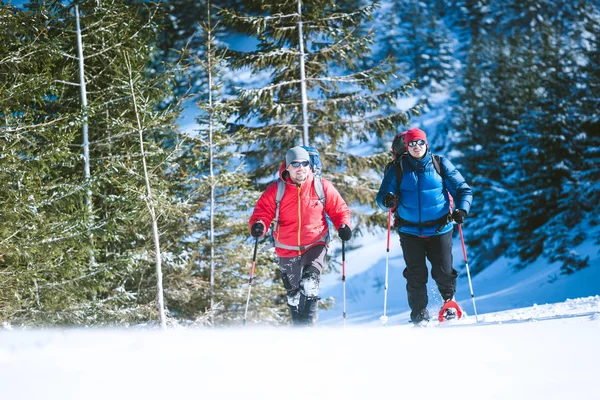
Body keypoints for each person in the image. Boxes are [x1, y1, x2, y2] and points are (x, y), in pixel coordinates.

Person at [376, 128, 472, 324]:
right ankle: (419, 315)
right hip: (409, 231)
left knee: (443, 271)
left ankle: (449, 304)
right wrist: (387, 200)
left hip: (440, 229)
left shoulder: (440, 163)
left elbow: (463, 189)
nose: (416, 147)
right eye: (411, 144)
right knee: (415, 276)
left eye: (420, 142)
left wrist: (462, 210)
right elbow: (381, 196)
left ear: (426, 144)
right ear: (406, 147)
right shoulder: (398, 168)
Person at [249, 146, 352, 326]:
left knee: (310, 284)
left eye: (304, 163)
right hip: (286, 249)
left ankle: (308, 330)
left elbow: (339, 209)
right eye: (295, 164)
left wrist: (343, 225)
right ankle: (299, 332)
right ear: (287, 167)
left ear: (309, 166)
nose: (300, 167)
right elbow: (262, 212)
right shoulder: (277, 190)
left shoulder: (321, 186)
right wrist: (259, 225)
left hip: (315, 244)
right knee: (294, 296)